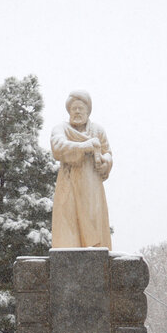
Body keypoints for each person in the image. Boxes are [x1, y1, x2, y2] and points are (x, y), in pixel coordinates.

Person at [50, 90, 113, 249]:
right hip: (69, 184)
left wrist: (105, 161)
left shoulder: (97, 131)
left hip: (91, 186)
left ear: (87, 111)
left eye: (81, 108)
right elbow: (58, 147)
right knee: (68, 226)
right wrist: (84, 147)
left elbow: (108, 153)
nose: (77, 112)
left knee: (93, 223)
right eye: (74, 108)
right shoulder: (61, 129)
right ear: (69, 111)